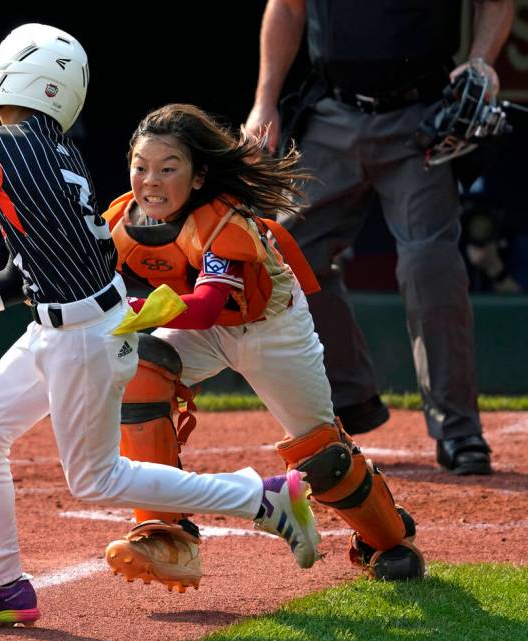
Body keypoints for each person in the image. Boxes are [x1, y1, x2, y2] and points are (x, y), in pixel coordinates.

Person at [0, 24, 321, 628]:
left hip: (85, 337)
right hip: (63, 328)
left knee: (95, 479)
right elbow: (25, 277)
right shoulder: (58, 152)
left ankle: (263, 498)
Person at [97, 104, 423, 589]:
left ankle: (388, 538)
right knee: (136, 373)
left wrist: (133, 307)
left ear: (200, 175)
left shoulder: (223, 221)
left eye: (169, 168)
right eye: (140, 167)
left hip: (270, 328)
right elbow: (84, 280)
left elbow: (206, 306)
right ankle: (165, 532)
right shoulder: (122, 219)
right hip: (198, 327)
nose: (151, 181)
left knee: (323, 459)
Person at [244, 0, 514, 475]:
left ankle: (458, 428)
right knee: (284, 255)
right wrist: (265, 100)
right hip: (333, 111)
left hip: (421, 116)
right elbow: (286, 8)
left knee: (428, 264)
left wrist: (481, 60)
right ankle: (351, 397)